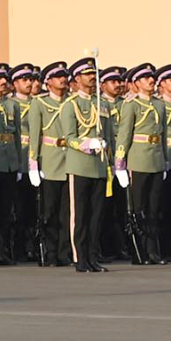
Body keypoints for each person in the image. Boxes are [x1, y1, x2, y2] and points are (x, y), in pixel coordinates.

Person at [114, 64, 168, 264]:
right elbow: (124, 135)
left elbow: (162, 135)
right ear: (136, 83)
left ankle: (154, 251)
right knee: (139, 208)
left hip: (156, 159)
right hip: (138, 159)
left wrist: (165, 160)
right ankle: (140, 252)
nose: (151, 81)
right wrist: (120, 163)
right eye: (146, 78)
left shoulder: (160, 104)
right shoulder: (131, 105)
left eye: (152, 77)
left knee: (154, 208)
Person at [59, 59, 109, 272]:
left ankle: (93, 256)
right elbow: (68, 137)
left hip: (99, 165)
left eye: (94, 73)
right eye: (87, 73)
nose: (92, 77)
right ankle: (80, 257)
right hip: (79, 165)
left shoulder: (101, 103)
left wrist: (113, 161)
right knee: (79, 215)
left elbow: (108, 134)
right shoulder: (70, 105)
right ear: (77, 78)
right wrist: (87, 143)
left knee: (96, 214)